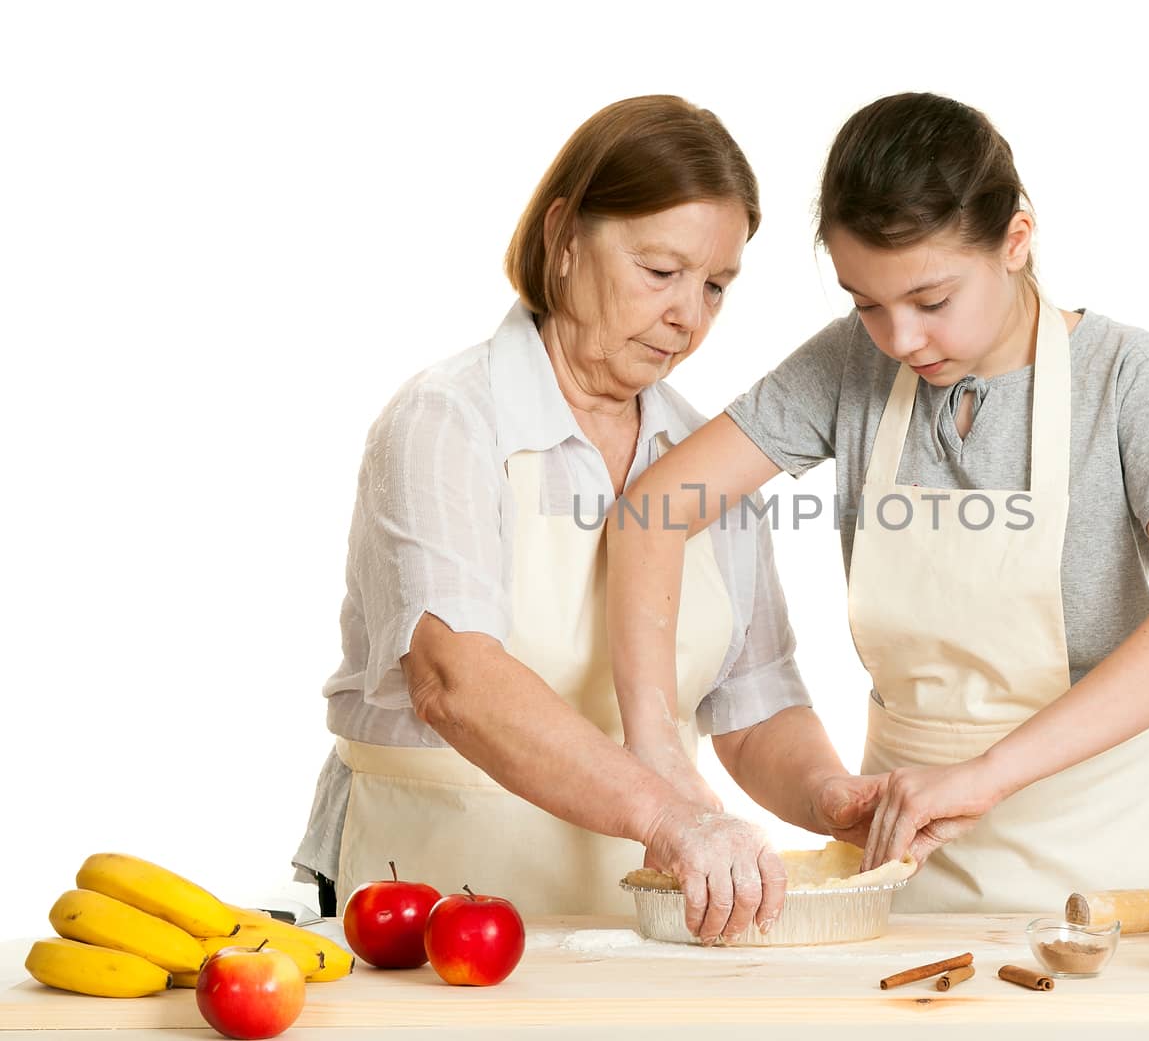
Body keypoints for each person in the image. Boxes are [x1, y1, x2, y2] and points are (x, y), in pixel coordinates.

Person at [605, 92, 1149, 913]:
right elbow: (652, 509)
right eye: (866, 303)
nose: (901, 339)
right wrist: (657, 753)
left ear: (1016, 242)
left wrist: (988, 777)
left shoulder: (1129, 378)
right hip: (904, 859)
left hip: (1107, 862)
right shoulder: (854, 365)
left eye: (931, 300)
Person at [292, 95, 882, 943]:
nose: (689, 314)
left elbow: (753, 701)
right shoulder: (448, 420)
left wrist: (833, 798)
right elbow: (455, 682)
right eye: (660, 271)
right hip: (431, 901)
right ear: (564, 238)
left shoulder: (704, 452)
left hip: (633, 918)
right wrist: (674, 819)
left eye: (716, 286)